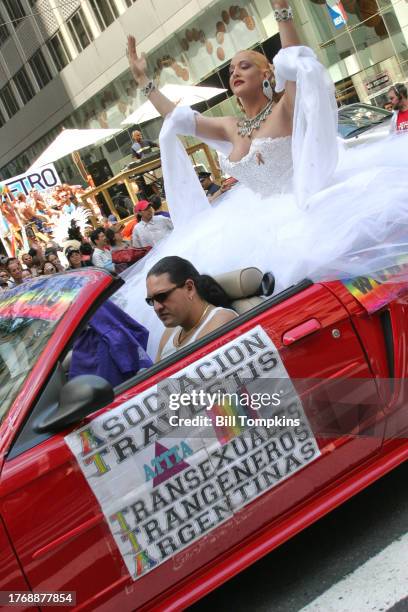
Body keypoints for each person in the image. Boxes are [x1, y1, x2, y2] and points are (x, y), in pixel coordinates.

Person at [118, 4, 408, 359]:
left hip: (304, 206)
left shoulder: (286, 105)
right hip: (250, 219)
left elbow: (294, 60)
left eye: (245, 65)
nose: (234, 72)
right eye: (230, 69)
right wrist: (144, 82)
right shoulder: (229, 126)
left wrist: (283, 11)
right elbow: (178, 119)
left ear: (267, 74)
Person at [146, 257, 237, 361]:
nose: (157, 307)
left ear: (189, 288)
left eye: (161, 296)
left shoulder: (221, 322)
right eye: (151, 301)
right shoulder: (169, 334)